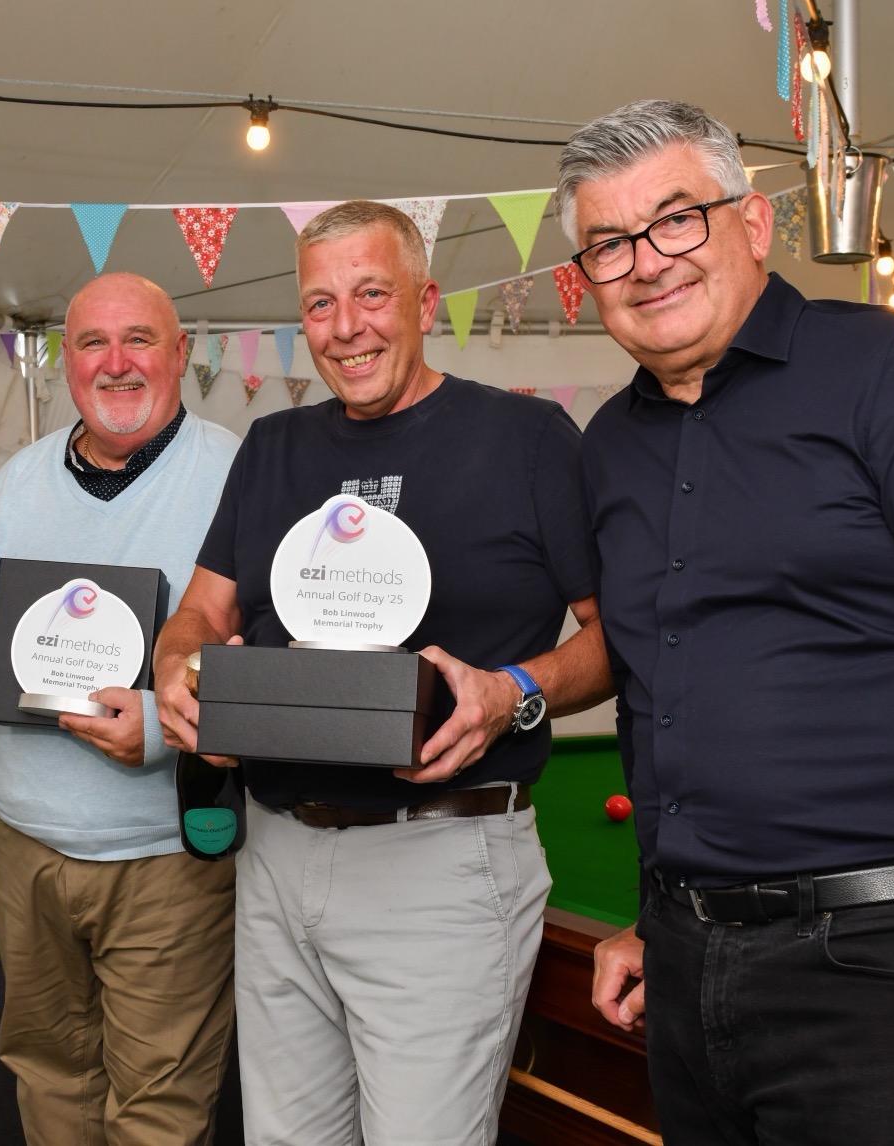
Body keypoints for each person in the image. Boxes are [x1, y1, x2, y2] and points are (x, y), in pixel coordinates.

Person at [561, 100, 894, 1146]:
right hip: (685, 970)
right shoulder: (609, 447)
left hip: (886, 973)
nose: (646, 262)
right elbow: (660, 691)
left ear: (753, 222)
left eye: (675, 219)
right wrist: (659, 908)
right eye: (609, 242)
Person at [151, 200, 613, 1146]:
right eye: (319, 304)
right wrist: (176, 669)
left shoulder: (529, 440)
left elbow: (617, 638)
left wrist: (513, 692)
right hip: (276, 855)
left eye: (371, 294)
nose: (345, 327)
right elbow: (200, 615)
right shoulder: (273, 447)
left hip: (441, 859)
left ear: (425, 301)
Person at [0, 272, 242, 1145]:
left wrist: (164, 727)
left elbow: (274, 658)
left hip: (166, 854)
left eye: (139, 340)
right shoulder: (15, 483)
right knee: (50, 1075)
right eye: (93, 342)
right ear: (64, 361)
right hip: (26, 845)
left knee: (160, 1105)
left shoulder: (237, 475)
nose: (116, 363)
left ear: (181, 353)